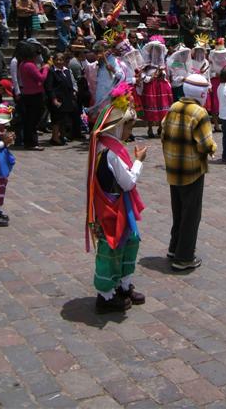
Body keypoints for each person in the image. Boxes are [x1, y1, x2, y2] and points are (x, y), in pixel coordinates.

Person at [86, 83, 147, 313]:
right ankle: (106, 294)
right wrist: (139, 160)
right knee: (111, 249)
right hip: (113, 207)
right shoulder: (110, 152)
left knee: (129, 242)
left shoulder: (104, 145)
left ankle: (123, 284)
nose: (130, 132)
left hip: (118, 204)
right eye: (128, 127)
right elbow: (128, 182)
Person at [161, 73, 216, 271]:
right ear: (201, 93)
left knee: (178, 211)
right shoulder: (199, 113)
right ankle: (184, 257)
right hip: (192, 171)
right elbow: (205, 144)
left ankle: (174, 247)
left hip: (173, 168)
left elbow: (162, 131)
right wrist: (213, 148)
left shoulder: (173, 107)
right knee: (191, 215)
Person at [139, 38, 173, 139]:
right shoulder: (146, 64)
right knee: (151, 105)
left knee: (162, 106)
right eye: (155, 50)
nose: (157, 52)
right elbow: (142, 75)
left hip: (161, 86)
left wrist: (162, 74)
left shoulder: (163, 64)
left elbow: (166, 74)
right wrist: (150, 78)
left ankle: (160, 126)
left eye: (159, 50)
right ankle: (150, 128)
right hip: (151, 87)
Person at [18, 46, 49, 151]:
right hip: (35, 94)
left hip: (27, 94)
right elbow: (41, 78)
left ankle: (28, 141)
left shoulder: (22, 64)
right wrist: (45, 69)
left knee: (29, 119)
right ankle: (32, 142)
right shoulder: (30, 65)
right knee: (33, 119)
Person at [45, 53, 77, 146]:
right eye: (57, 60)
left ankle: (61, 136)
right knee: (57, 119)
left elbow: (70, 83)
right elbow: (49, 87)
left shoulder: (66, 71)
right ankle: (55, 137)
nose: (59, 62)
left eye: (61, 60)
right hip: (58, 99)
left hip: (67, 99)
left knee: (64, 119)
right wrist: (54, 99)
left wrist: (73, 93)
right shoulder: (52, 71)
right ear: (54, 61)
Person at [208, 38, 226, 132]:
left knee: (225, 101)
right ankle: (216, 124)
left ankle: (224, 123)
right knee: (215, 103)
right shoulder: (211, 57)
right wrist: (215, 74)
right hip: (215, 81)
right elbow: (209, 72)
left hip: (225, 80)